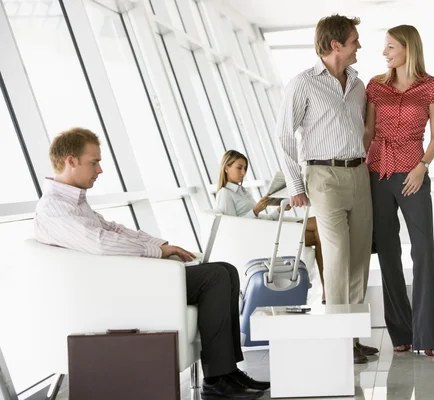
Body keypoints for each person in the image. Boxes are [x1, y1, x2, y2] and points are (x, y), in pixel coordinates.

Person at [33, 128, 269, 400]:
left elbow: (114, 229)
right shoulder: (55, 208)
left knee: (226, 270)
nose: (100, 170)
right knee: (215, 276)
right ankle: (216, 380)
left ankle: (228, 372)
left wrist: (162, 244)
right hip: (115, 290)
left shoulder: (73, 202)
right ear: (70, 161)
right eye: (94, 162)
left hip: (125, 279)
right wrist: (156, 250)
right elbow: (101, 243)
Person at [276, 14, 377, 364]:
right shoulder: (302, 84)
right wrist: (296, 186)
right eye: (354, 40)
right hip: (323, 177)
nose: (359, 46)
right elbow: (285, 138)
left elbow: (364, 132)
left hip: (358, 173)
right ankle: (337, 339)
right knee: (336, 257)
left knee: (359, 258)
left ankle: (351, 337)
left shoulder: (358, 85)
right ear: (335, 45)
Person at [363, 25, 434, 356]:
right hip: (377, 173)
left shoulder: (432, 87)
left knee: (423, 250)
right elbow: (368, 131)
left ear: (408, 49)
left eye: (391, 46)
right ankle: (401, 331)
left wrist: (422, 166)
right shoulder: (375, 86)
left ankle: (427, 335)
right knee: (388, 252)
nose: (385, 52)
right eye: (385, 47)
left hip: (413, 172)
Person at [215, 150, 326, 304]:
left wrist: (278, 211)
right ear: (226, 168)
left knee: (320, 231)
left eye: (245, 168)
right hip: (264, 235)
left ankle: (327, 289)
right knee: (320, 227)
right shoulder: (225, 194)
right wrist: (255, 210)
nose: (243, 172)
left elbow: (261, 219)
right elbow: (233, 227)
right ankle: (327, 288)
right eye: (239, 168)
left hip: (268, 228)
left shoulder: (243, 192)